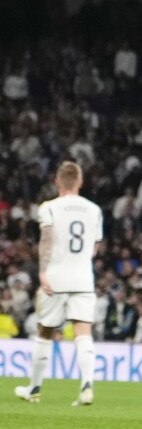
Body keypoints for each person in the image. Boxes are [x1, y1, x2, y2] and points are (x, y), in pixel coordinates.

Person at [14, 161, 103, 407]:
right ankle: (87, 385)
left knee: (45, 331)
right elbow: (95, 247)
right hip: (84, 278)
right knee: (83, 332)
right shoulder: (94, 209)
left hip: (56, 277)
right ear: (80, 182)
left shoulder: (49, 208)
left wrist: (43, 271)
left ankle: (34, 388)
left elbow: (47, 240)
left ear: (57, 182)